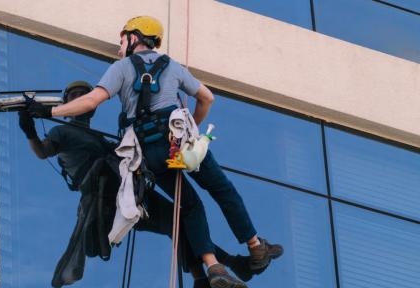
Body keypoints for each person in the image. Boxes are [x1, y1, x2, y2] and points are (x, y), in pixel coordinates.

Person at [28, 16, 283, 288]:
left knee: (189, 206)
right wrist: (192, 128)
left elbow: (92, 100)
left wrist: (49, 111)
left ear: (135, 37)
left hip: (149, 153)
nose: (119, 47)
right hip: (178, 142)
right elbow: (207, 98)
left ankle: (214, 266)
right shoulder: (173, 67)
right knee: (223, 190)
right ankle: (255, 246)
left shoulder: (121, 68)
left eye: (122, 40)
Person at [19, 81, 267, 288]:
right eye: (74, 96)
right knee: (180, 219)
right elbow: (43, 151)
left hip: (123, 190)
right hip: (105, 196)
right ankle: (227, 266)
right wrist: (30, 131)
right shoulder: (62, 133)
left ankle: (205, 275)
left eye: (83, 95)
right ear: (67, 105)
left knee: (178, 220)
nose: (80, 99)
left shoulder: (99, 137)